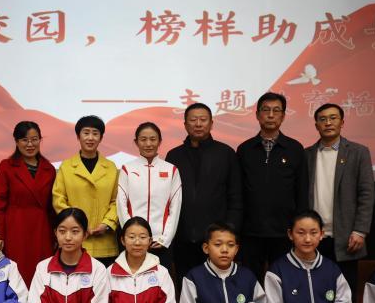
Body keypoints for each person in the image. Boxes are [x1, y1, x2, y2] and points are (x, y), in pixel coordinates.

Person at [0, 121, 56, 303]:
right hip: (15, 230)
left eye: (34, 139)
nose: (30, 144)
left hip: (41, 231)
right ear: (16, 142)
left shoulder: (49, 169)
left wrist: (55, 236)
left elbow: (52, 208)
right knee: (18, 285)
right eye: (25, 140)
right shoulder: (6, 166)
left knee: (39, 284)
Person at [305, 103, 374, 303]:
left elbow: (366, 194)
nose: (328, 123)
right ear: (316, 125)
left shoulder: (358, 152)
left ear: (342, 122)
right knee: (315, 290)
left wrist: (360, 230)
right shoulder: (306, 154)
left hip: (346, 236)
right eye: (322, 119)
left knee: (346, 291)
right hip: (313, 237)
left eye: (333, 118)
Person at [166, 103, 241, 286]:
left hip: (216, 240)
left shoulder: (226, 153)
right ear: (185, 124)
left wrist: (229, 230)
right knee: (186, 285)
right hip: (182, 238)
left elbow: (236, 196)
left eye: (203, 119)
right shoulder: (174, 156)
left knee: (217, 288)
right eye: (193, 120)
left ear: (211, 123)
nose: (198, 124)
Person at [236, 92, 308, 282]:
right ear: (257, 114)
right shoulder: (245, 149)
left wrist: (299, 227)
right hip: (251, 231)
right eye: (266, 110)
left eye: (276, 111)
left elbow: (302, 191)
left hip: (284, 231)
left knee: (284, 281)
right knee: (251, 281)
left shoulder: (295, 149)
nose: (270, 115)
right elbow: (238, 191)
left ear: (283, 116)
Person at [52, 116, 119, 266]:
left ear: (101, 138)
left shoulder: (111, 167)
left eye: (95, 133)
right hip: (74, 240)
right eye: (86, 133)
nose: (90, 138)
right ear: (78, 136)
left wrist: (107, 224)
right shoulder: (66, 167)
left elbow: (117, 201)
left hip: (104, 241)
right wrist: (78, 224)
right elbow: (58, 199)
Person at [117, 122, 182, 269]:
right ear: (136, 142)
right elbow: (121, 204)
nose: (148, 144)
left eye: (153, 139)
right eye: (143, 139)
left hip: (160, 242)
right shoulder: (127, 169)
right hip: (134, 243)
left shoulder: (171, 170)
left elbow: (175, 207)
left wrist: (165, 239)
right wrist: (131, 236)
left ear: (160, 141)